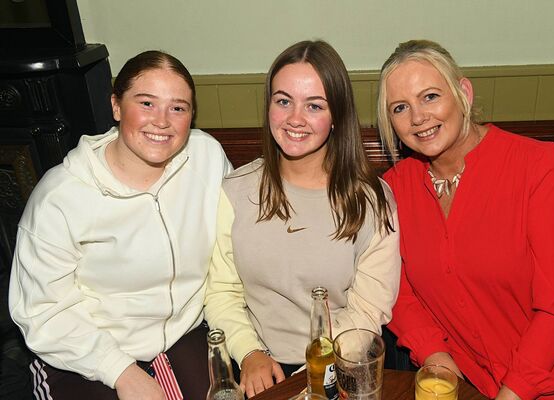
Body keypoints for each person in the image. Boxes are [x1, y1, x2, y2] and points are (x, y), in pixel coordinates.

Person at [378, 39, 554, 400]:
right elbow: (397, 291)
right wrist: (434, 354)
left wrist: (512, 393)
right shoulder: (394, 189)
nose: (418, 117)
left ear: (463, 92)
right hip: (468, 383)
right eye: (400, 107)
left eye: (430, 96)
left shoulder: (540, 168)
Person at [9, 50, 231, 400]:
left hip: (185, 332)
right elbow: (42, 312)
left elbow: (232, 250)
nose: (162, 121)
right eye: (146, 103)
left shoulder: (207, 158)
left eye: (178, 107)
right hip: (86, 348)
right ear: (116, 106)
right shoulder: (61, 197)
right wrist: (120, 370)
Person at [203, 40, 401, 397]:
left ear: (337, 115)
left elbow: (368, 308)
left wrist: (316, 372)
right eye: (283, 101)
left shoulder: (373, 200)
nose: (295, 118)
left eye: (314, 105)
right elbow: (222, 292)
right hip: (258, 368)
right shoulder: (236, 190)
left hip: (339, 368)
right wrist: (250, 353)